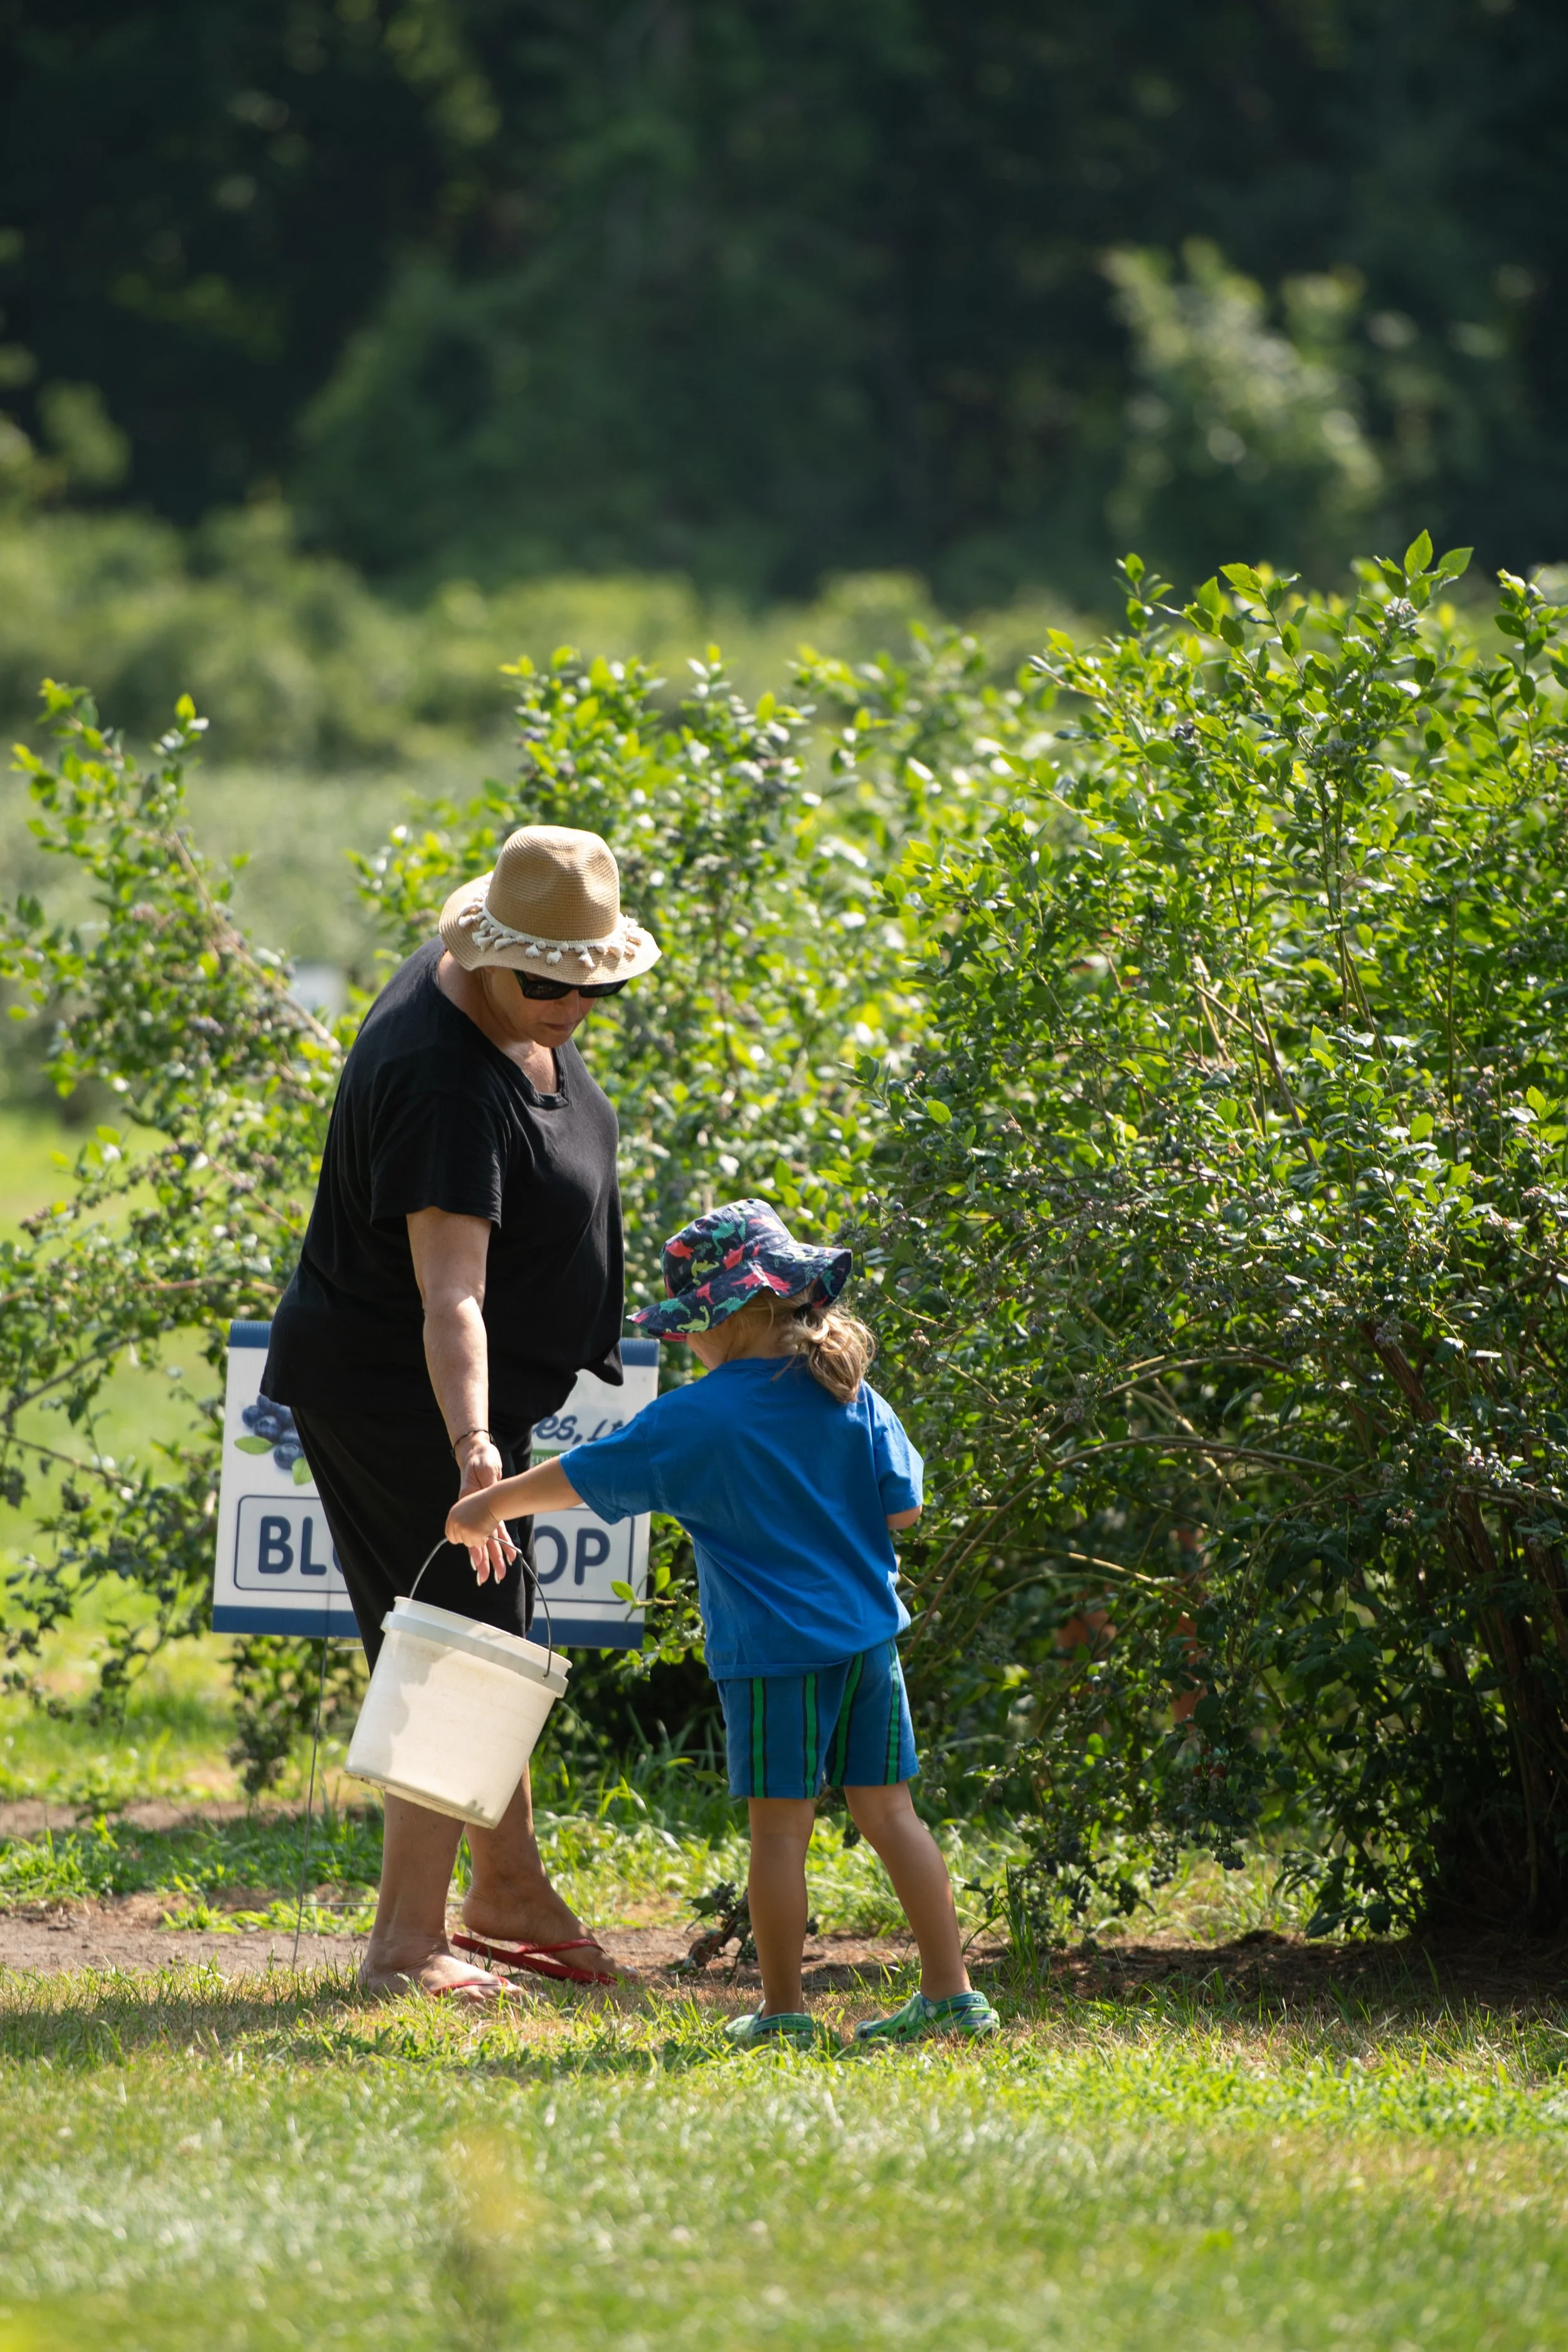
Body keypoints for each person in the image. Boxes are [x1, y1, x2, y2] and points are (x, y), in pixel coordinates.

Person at [262, 824, 660, 2005]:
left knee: (495, 1619)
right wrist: (475, 1449)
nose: (572, 1003)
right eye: (549, 982)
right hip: (407, 1395)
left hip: (457, 1397)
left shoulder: (503, 1004)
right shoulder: (443, 1076)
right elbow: (453, 1299)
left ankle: (510, 1887)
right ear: (490, 957)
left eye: (594, 983)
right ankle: (403, 1942)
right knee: (461, 1637)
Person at [447, 1199, 1000, 2047]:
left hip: (775, 1655)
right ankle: (953, 1992)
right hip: (869, 1643)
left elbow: (585, 1476)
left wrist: (488, 1505)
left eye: (689, 1325)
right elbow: (907, 1511)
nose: (683, 1342)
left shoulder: (699, 1419)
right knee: (893, 1814)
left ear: (732, 1313)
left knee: (781, 1830)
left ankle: (785, 2013)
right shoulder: (850, 1392)